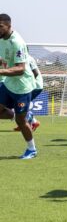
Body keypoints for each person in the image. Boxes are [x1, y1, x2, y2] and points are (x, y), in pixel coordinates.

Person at [0, 14, 39, 159]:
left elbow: (21, 69)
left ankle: (32, 149)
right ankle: (18, 114)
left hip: (23, 87)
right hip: (9, 84)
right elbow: (3, 60)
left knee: (20, 122)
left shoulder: (17, 42)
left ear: (9, 26)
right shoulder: (1, 40)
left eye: (0, 27)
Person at [13, 54, 42, 131]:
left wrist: (28, 84)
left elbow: (35, 73)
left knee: (19, 104)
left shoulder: (24, 59)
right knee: (19, 104)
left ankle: (27, 123)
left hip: (33, 86)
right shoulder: (29, 58)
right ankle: (32, 122)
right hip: (37, 85)